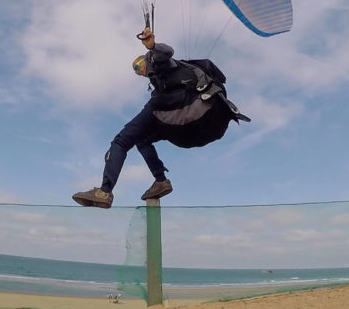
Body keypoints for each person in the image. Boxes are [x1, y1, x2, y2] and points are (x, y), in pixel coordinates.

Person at [72, 27, 246, 208]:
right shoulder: (169, 76)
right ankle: (161, 181)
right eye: (135, 70)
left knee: (120, 141)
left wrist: (152, 46)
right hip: (200, 122)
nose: (138, 71)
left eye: (138, 66)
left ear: (145, 59)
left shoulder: (158, 61)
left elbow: (166, 53)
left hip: (182, 110)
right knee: (143, 140)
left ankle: (104, 191)